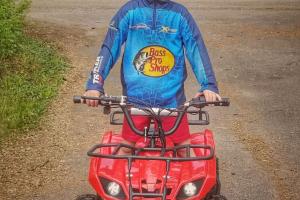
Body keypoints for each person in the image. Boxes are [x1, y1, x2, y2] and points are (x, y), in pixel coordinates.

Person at [84, 0, 221, 152]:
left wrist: (208, 85)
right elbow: (109, 48)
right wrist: (95, 84)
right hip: (134, 101)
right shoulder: (129, 11)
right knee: (127, 150)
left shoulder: (180, 15)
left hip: (172, 102)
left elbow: (196, 50)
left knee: (183, 150)